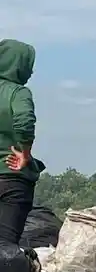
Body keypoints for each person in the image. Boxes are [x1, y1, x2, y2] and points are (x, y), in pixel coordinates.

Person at [0, 40, 44, 247]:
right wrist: (25, 152)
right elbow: (24, 120)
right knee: (5, 247)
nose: (32, 72)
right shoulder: (17, 93)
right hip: (10, 178)